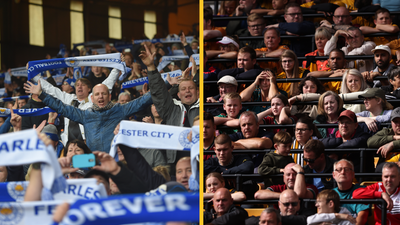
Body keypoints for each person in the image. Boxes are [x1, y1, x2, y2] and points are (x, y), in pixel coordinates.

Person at [24, 81, 153, 153]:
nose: (101, 97)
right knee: (76, 172)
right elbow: (61, 107)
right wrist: (41, 94)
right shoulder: (85, 115)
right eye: (97, 94)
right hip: (91, 161)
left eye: (104, 94)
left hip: (117, 160)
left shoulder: (120, 109)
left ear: (109, 96)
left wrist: (167, 84)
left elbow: (143, 100)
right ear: (92, 98)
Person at [31, 65, 120, 146]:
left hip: (87, 144)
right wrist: (32, 74)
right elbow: (50, 88)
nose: (79, 87)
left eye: (83, 85)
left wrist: (117, 67)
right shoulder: (67, 98)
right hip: (69, 145)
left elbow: (107, 84)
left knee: (87, 163)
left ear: (89, 89)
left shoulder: (93, 99)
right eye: (77, 85)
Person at [141, 44, 199, 167]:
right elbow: (159, 92)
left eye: (190, 88)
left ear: (198, 92)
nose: (187, 91)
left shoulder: (203, 108)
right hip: (174, 162)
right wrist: (151, 67)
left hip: (200, 161)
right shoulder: (172, 108)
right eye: (183, 89)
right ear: (178, 94)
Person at [332, 159, 370, 225]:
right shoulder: (329, 194)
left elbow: (362, 217)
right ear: (334, 175)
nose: (343, 172)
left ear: (353, 174)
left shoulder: (362, 191)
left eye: (346, 169)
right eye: (339, 170)